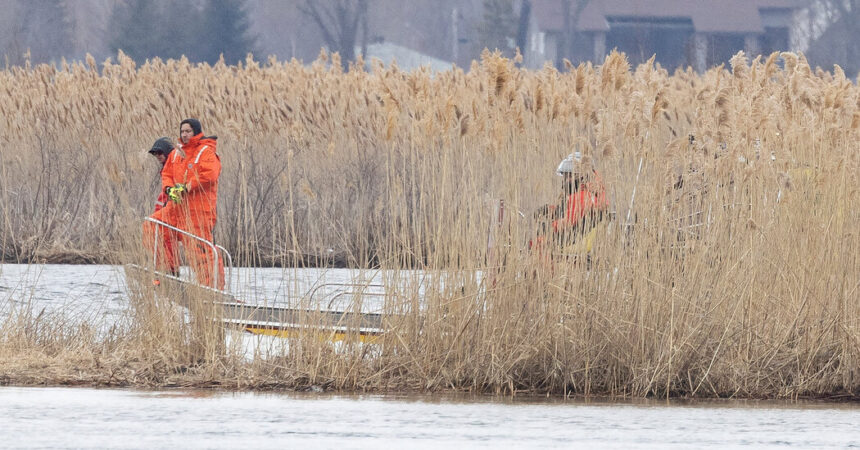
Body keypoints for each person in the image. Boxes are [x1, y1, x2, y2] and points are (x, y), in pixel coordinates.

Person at [147, 119, 224, 288]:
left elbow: (209, 175)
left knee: (200, 253)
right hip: (176, 208)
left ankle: (212, 289)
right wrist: (169, 190)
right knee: (153, 226)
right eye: (182, 131)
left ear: (196, 132)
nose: (185, 134)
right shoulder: (176, 153)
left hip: (198, 212)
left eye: (188, 131)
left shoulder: (206, 152)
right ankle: (168, 271)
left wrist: (187, 187)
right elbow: (167, 173)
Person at [532, 152, 609, 259]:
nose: (564, 181)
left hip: (573, 241)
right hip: (579, 237)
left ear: (578, 176)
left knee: (538, 243)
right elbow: (574, 214)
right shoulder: (593, 194)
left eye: (567, 176)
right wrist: (552, 210)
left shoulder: (581, 196)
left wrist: (548, 227)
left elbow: (568, 222)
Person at [144, 137, 183, 276]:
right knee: (162, 236)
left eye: (159, 153)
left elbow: (178, 192)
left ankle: (169, 268)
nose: (157, 156)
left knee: (151, 226)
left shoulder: (174, 163)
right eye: (155, 154)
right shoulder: (167, 169)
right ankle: (169, 269)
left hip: (177, 211)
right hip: (171, 211)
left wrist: (174, 198)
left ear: (166, 151)